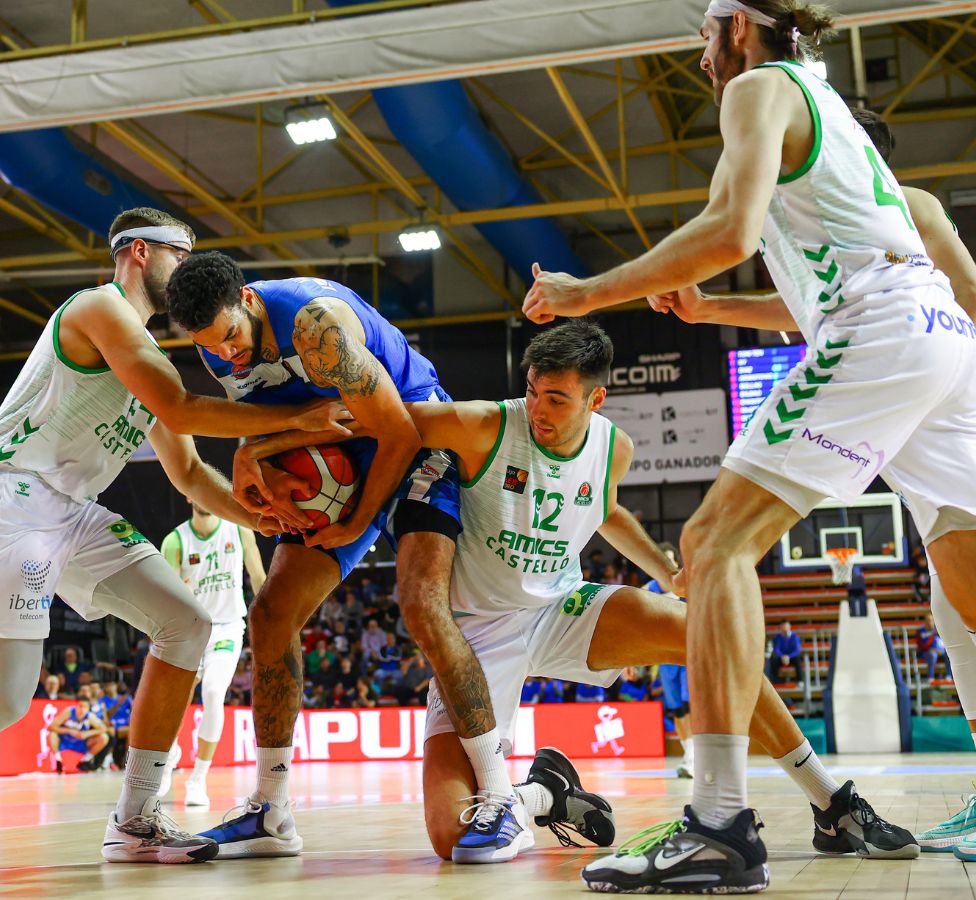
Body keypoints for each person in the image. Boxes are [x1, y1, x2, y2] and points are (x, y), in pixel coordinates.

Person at [521, 3, 975, 891]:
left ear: (741, 26)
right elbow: (825, 283)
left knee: (713, 543)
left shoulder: (760, 86)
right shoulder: (830, 105)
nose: (698, 56)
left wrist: (587, 294)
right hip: (936, 334)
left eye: (704, 32)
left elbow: (726, 232)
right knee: (966, 578)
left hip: (881, 326)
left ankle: (719, 822)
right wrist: (711, 306)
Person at [0, 207, 347, 872]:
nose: (186, 272)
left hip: (71, 510)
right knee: (3, 698)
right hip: (10, 495)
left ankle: (134, 819)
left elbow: (188, 473)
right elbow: (182, 408)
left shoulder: (144, 354)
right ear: (138, 253)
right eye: (179, 256)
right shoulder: (98, 309)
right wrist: (300, 413)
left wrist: (270, 522)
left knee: (187, 623)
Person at [401, 320, 915, 866]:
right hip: (477, 634)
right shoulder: (485, 425)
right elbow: (390, 422)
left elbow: (605, 509)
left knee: (703, 633)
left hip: (558, 608)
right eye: (532, 390)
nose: (538, 409)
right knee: (452, 839)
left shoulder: (613, 448)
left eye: (556, 397)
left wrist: (666, 571)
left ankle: (830, 802)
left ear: (596, 398)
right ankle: (545, 794)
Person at [655, 102, 976, 859]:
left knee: (962, 601)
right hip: (920, 396)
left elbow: (967, 288)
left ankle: (719, 816)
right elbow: (805, 309)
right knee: (956, 608)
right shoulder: (824, 229)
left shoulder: (906, 205)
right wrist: (708, 312)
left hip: (935, 387)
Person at [168, 253, 512, 859]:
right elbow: (276, 416)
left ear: (248, 300)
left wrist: (356, 520)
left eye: (229, 339)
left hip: (415, 435)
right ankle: (270, 810)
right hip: (337, 449)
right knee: (271, 614)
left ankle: (503, 795)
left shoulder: (315, 326)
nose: (224, 355)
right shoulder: (215, 342)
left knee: (420, 604)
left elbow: (397, 432)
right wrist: (253, 456)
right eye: (208, 348)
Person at [158, 500, 267, 806]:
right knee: (177, 700)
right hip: (190, 628)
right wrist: (181, 592)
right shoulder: (175, 540)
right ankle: (169, 755)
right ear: (189, 497)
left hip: (227, 627)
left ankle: (198, 779)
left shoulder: (239, 529)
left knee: (213, 692)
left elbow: (258, 577)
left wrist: (271, 618)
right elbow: (166, 596)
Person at [642, 542, 694, 778]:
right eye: (664, 559)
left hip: (689, 654)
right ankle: (690, 754)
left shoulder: (686, 584)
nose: (669, 564)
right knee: (678, 711)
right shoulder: (649, 589)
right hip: (664, 657)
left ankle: (694, 758)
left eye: (672, 560)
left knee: (691, 706)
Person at [48, 697, 109, 773]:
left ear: (87, 709)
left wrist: (87, 733)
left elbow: (104, 728)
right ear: (76, 706)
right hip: (65, 741)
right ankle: (58, 761)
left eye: (84, 707)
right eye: (80, 706)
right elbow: (51, 726)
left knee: (104, 737)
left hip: (80, 743)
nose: (81, 709)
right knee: (52, 734)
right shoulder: (69, 712)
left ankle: (84, 761)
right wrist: (69, 731)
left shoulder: (90, 717)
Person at [917, 614, 951, 681]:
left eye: (932, 620)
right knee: (933, 655)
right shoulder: (920, 631)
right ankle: (930, 677)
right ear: (925, 621)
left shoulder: (938, 630)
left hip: (940, 651)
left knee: (949, 654)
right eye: (929, 620)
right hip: (926, 652)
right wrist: (932, 634)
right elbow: (922, 645)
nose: (931, 622)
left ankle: (949, 676)